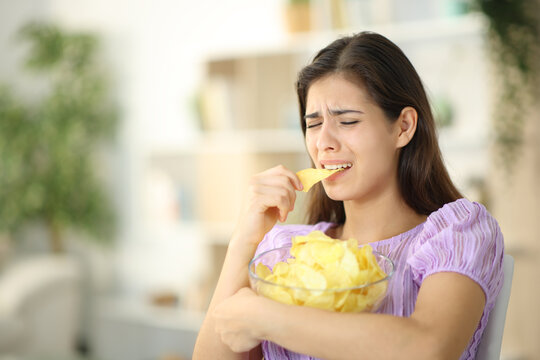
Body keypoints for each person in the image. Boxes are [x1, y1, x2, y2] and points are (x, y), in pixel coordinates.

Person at [193, 32, 504, 360]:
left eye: (348, 120)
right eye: (313, 125)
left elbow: (428, 348)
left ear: (403, 127)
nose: (323, 142)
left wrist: (264, 317)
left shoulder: (459, 232)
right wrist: (244, 241)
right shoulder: (283, 252)